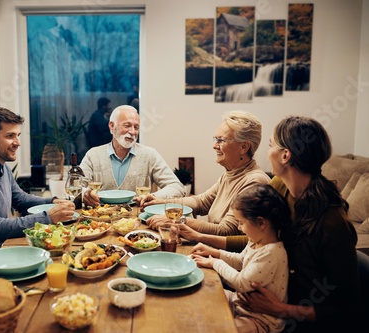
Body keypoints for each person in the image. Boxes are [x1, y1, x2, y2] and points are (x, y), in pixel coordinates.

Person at [197, 116, 361, 332]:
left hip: (290, 320)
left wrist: (281, 309)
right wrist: (208, 245)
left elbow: (347, 305)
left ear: (285, 155)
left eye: (271, 145)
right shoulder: (279, 187)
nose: (267, 153)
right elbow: (255, 237)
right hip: (257, 301)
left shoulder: (332, 222)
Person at [0, 107, 75, 264]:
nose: (17, 143)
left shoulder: (0, 164)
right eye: (10, 136)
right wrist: (48, 217)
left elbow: (20, 199)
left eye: (18, 135)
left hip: (4, 251)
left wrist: (54, 202)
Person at [143, 110, 270, 238]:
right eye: (215, 139)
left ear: (244, 147)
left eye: (221, 140)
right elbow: (201, 202)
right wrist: (161, 202)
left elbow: (227, 231)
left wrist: (178, 221)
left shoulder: (255, 182)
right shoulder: (231, 173)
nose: (215, 146)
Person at [192, 184, 291, 333]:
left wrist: (215, 262)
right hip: (241, 304)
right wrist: (214, 252)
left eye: (241, 223)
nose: (239, 228)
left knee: (222, 329)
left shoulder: (272, 252)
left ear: (261, 223)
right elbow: (240, 260)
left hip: (260, 319)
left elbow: (241, 283)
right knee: (204, 293)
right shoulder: (255, 240)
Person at [80, 105, 185, 207]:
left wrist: (153, 196)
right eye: (127, 126)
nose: (132, 132)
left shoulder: (150, 154)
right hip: (100, 222)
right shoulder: (93, 155)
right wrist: (84, 193)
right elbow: (73, 187)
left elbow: (177, 187)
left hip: (138, 221)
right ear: (112, 126)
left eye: (136, 127)